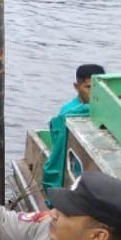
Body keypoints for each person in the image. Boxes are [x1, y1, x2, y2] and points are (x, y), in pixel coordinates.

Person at [42, 64, 106, 193]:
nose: (94, 93)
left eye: (98, 88)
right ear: (76, 87)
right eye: (88, 87)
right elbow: (59, 150)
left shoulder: (107, 107)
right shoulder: (69, 112)